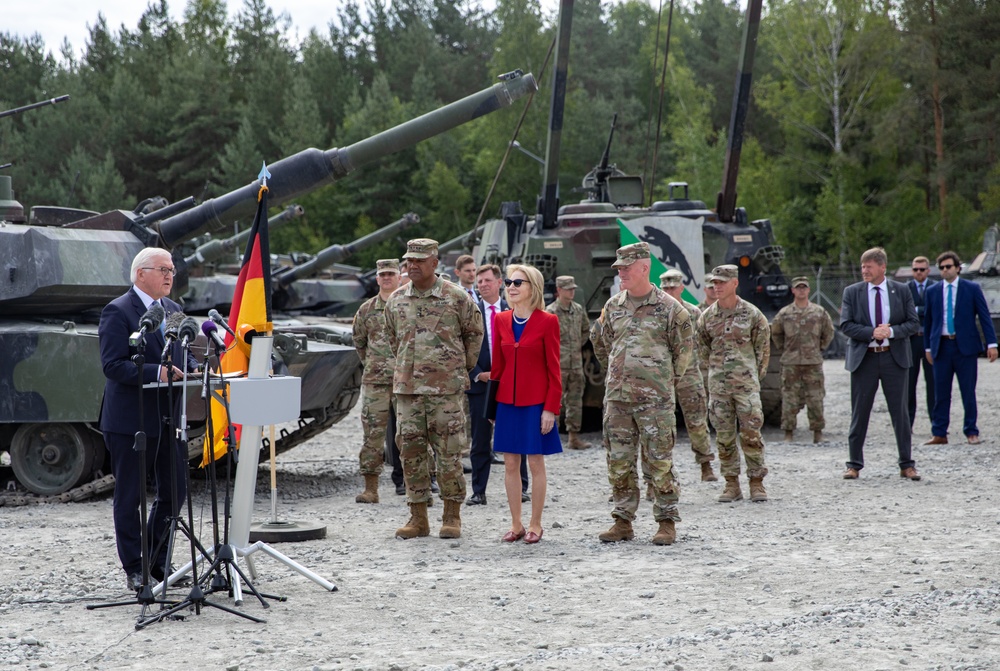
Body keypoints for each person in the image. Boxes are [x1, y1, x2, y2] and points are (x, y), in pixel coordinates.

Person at [98, 248, 197, 591]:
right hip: (131, 420)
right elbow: (112, 365)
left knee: (175, 491)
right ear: (141, 274)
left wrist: (198, 368)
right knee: (131, 496)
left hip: (169, 418)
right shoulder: (119, 311)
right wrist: (158, 371)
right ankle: (135, 568)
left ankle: (156, 559)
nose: (170, 275)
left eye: (172, 269)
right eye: (163, 269)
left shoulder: (171, 310)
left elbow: (184, 354)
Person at [592, 243, 693, 545]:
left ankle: (666, 521)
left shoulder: (671, 309)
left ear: (644, 268)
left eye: (625, 267)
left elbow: (683, 352)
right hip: (618, 399)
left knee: (659, 462)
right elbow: (602, 343)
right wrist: (619, 372)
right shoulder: (613, 306)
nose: (620, 272)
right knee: (618, 461)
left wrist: (660, 381)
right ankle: (623, 521)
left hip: (654, 401)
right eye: (619, 268)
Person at [384, 238, 484, 539]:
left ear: (434, 263)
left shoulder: (457, 298)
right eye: (408, 260)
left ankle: (451, 516)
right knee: (411, 453)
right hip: (408, 391)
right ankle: (418, 518)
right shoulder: (397, 300)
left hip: (445, 392)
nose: (412, 265)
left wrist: (455, 370)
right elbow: (393, 340)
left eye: (419, 260)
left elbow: (474, 336)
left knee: (449, 453)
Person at [490, 264, 562, 544]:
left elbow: (554, 370)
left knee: (535, 462)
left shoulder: (548, 321)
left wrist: (550, 409)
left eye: (518, 282)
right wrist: (492, 408)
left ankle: (536, 524)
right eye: (509, 282)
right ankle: (516, 523)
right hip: (506, 402)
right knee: (509, 464)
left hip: (536, 403)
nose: (511, 287)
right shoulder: (500, 320)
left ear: (533, 287)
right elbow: (498, 367)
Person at [840, 247, 921, 480]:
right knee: (859, 413)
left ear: (882, 267)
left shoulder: (901, 290)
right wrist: (872, 332)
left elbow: (913, 323)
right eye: (862, 266)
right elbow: (846, 325)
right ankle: (853, 464)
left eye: (869, 266)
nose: (864, 270)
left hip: (893, 359)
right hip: (864, 358)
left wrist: (892, 331)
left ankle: (907, 464)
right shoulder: (852, 292)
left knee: (901, 414)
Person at [698, 265, 771, 503]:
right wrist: (716, 376)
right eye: (714, 283)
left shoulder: (752, 314)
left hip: (746, 387)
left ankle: (757, 483)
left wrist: (751, 378)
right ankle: (731, 484)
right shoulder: (707, 317)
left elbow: (762, 350)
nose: (716, 286)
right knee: (724, 437)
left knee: (751, 434)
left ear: (734, 283)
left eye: (721, 282)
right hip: (719, 389)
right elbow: (703, 351)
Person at [923, 251, 998, 445]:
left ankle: (971, 431)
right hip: (942, 346)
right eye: (942, 267)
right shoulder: (932, 291)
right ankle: (939, 432)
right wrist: (928, 348)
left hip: (965, 347)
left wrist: (992, 343)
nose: (945, 270)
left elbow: (984, 316)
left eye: (949, 266)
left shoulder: (971, 288)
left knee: (968, 391)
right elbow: (929, 322)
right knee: (941, 392)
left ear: (957, 267)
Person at [465, 263, 521, 506]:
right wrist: (478, 374)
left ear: (500, 283)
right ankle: (479, 491)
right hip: (481, 384)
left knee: (517, 437)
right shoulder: (471, 312)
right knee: (479, 440)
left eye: (487, 280)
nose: (482, 285)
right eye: (479, 282)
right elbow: (462, 349)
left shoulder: (514, 310)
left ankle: (523, 488)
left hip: (511, 383)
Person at [352, 259, 404, 503]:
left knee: (411, 435)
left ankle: (418, 488)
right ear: (377, 278)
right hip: (376, 382)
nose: (386, 278)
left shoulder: (409, 305)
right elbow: (359, 343)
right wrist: (376, 364)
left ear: (399, 276)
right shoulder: (366, 309)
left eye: (391, 274)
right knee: (373, 435)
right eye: (382, 274)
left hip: (406, 381)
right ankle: (371, 488)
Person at [658, 269, 717, 482]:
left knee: (697, 423)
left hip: (690, 375)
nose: (669, 290)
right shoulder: (655, 313)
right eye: (665, 287)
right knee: (660, 428)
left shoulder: (694, 313)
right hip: (662, 378)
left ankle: (706, 465)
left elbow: (706, 342)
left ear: (681, 288)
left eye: (673, 287)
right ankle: (659, 476)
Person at [770, 276, 835, 444]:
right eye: (798, 287)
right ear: (792, 290)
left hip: (812, 362)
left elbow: (828, 332)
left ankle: (817, 433)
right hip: (791, 363)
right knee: (789, 398)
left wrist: (818, 348)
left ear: (808, 290)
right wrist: (785, 349)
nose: (801, 290)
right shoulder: (784, 314)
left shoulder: (819, 312)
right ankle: (788, 433)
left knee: (815, 398)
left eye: (804, 287)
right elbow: (775, 333)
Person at [545, 275, 591, 450]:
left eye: (573, 288)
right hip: (558, 364)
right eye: (568, 289)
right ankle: (551, 438)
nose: (572, 291)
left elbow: (586, 330)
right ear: (559, 290)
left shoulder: (578, 309)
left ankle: (573, 438)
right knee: (554, 401)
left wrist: (576, 344)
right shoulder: (550, 312)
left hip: (576, 364)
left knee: (575, 401)